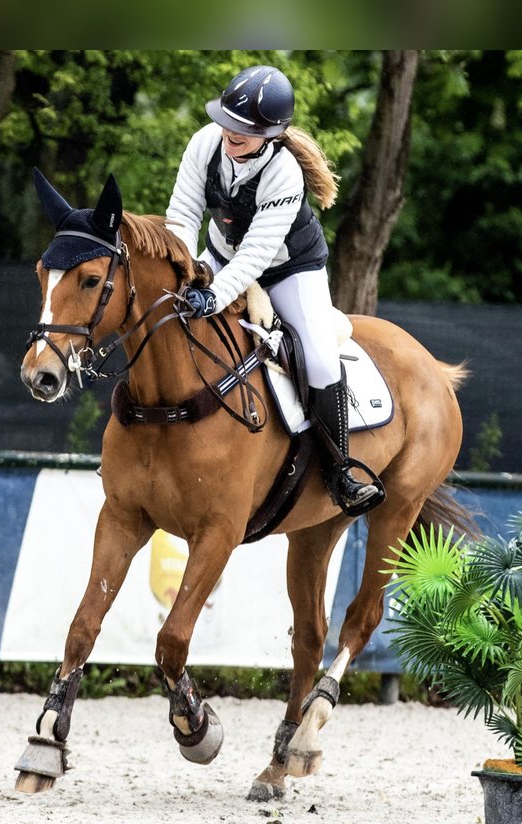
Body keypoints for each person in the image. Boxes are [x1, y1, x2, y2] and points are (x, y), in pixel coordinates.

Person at [164, 64, 384, 516]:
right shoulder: (206, 142)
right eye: (227, 121)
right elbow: (183, 213)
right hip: (220, 257)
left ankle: (341, 467)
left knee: (320, 359)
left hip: (288, 270)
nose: (231, 133)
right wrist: (185, 273)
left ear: (271, 133)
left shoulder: (284, 172)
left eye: (244, 129)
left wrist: (214, 296)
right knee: (166, 313)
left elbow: (256, 257)